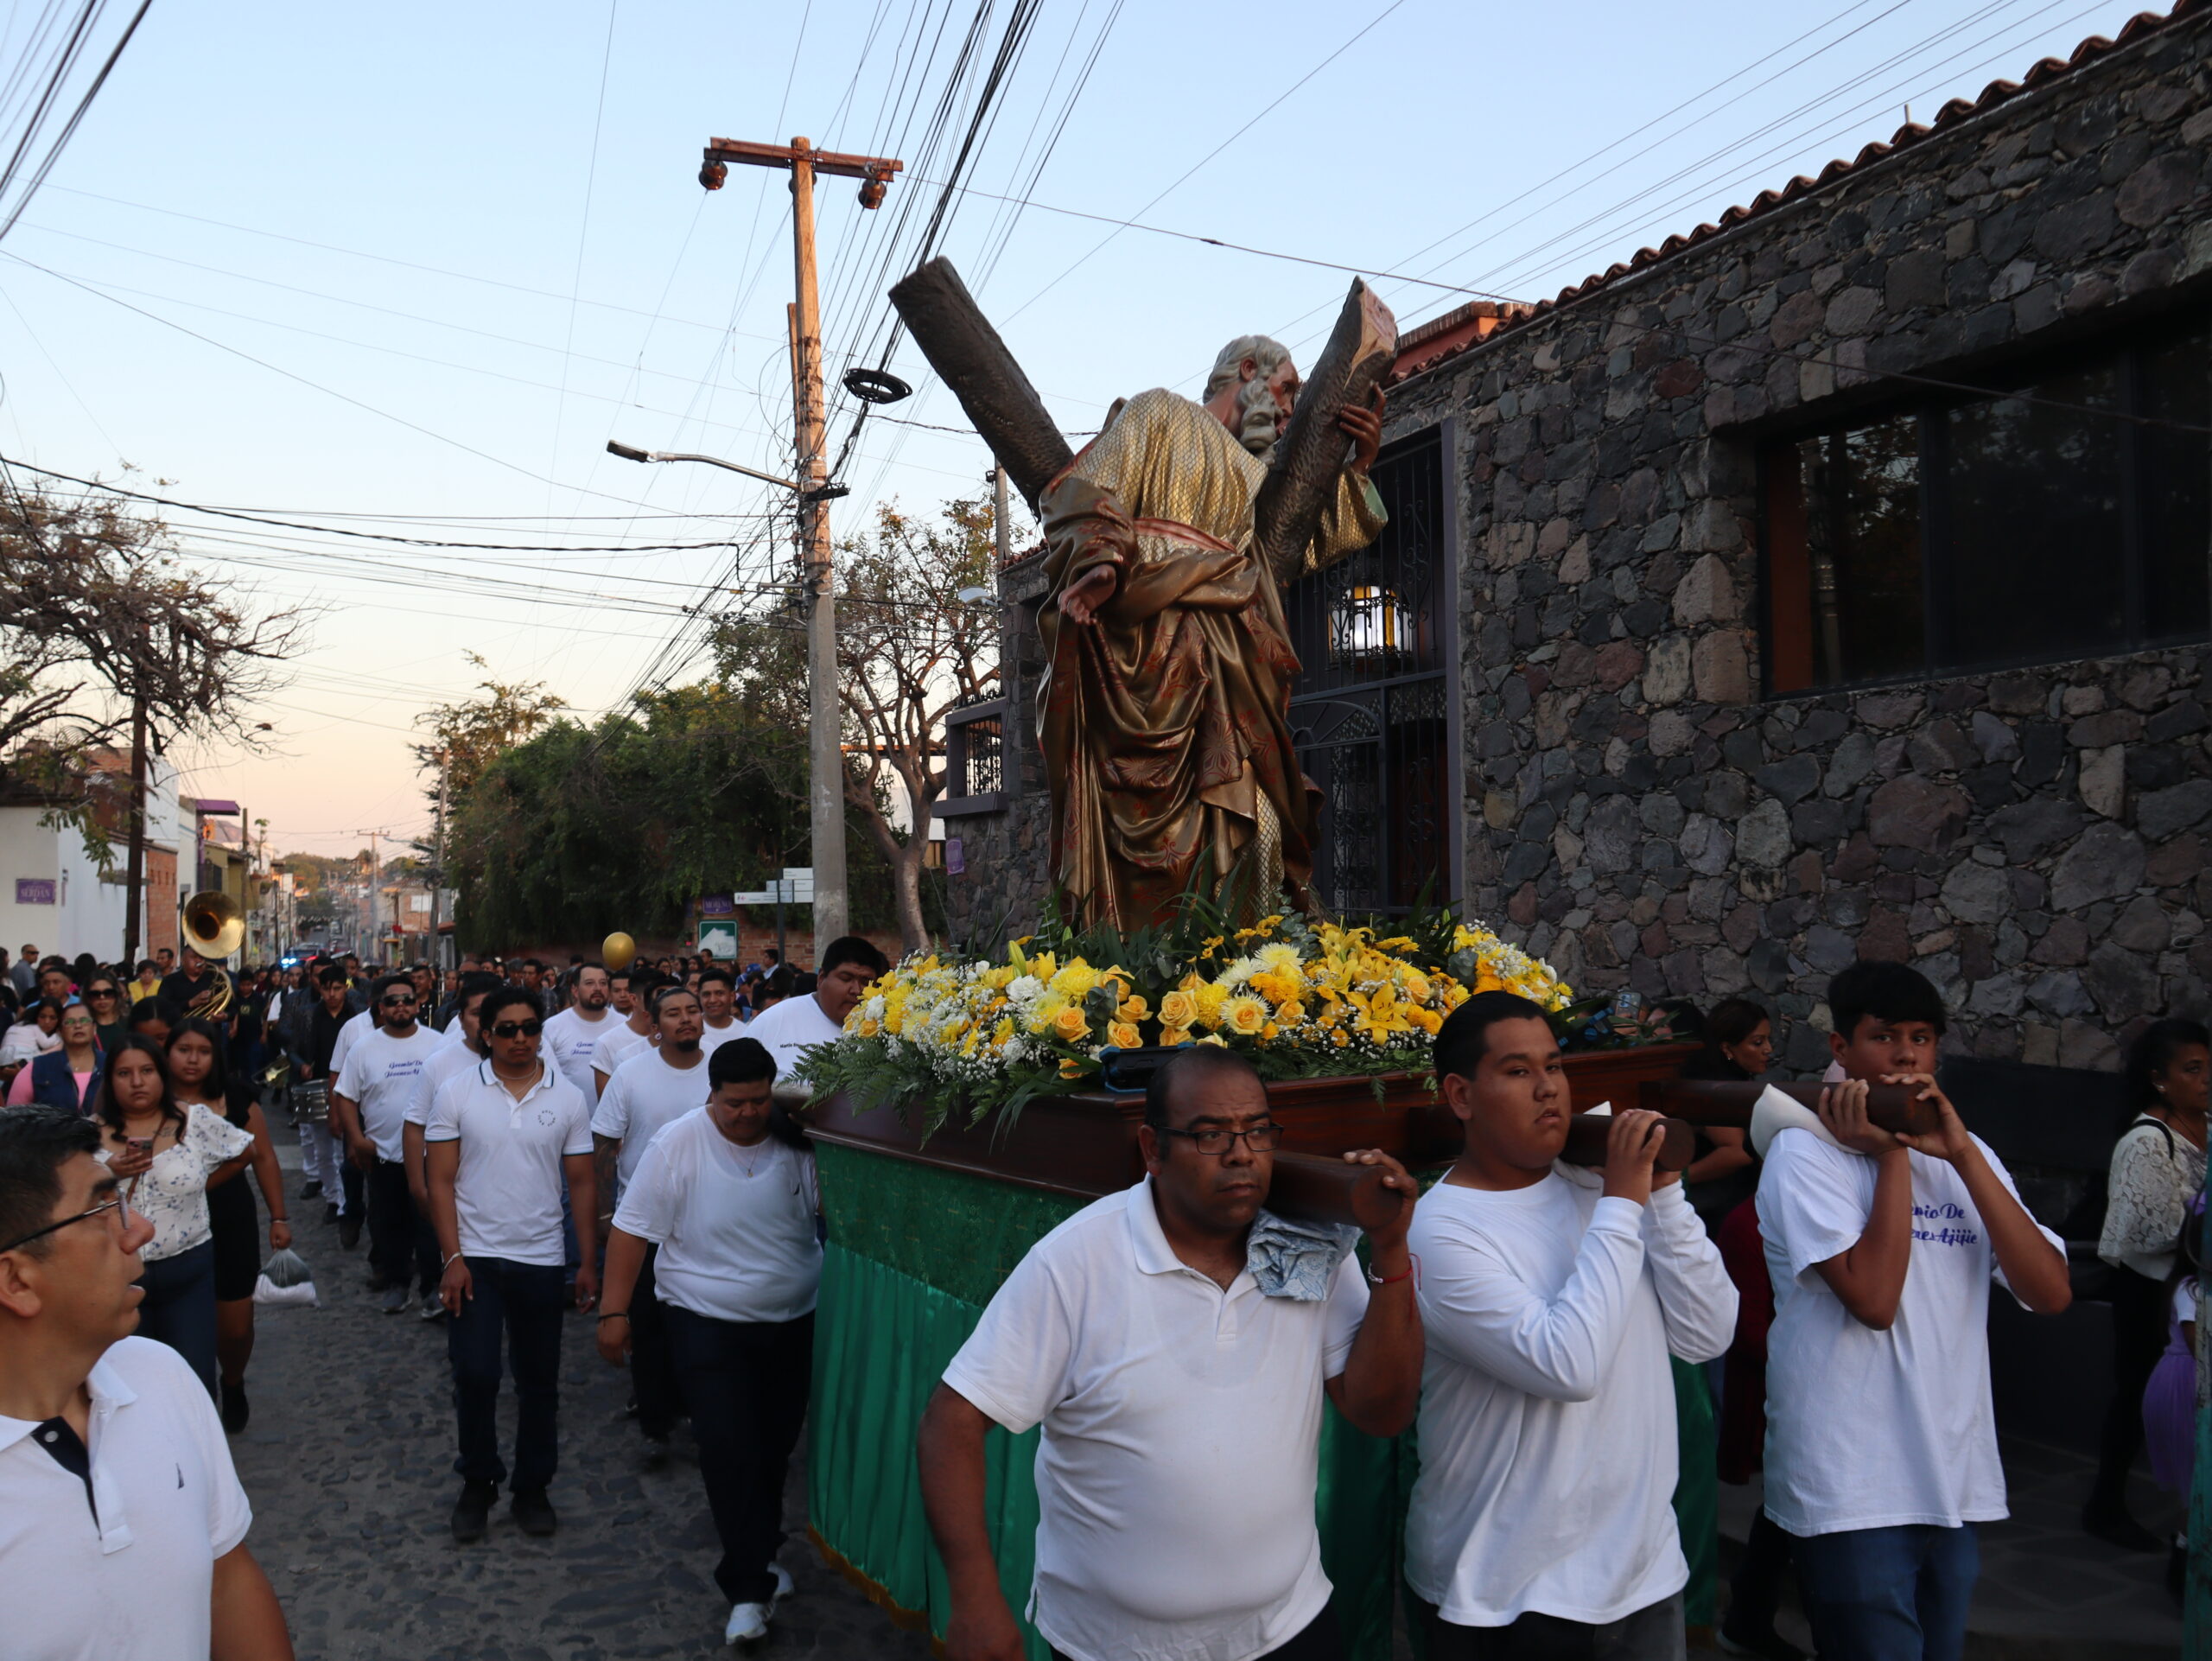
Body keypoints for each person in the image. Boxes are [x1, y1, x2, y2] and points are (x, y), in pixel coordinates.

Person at [918, 1046, 1422, 1661]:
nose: (1241, 1154)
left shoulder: (1309, 1245)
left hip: (1287, 1628)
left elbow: (1381, 1413)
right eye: (1210, 1135)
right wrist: (974, 1600)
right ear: (1153, 1150)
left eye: (1257, 1130)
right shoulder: (1077, 1260)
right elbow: (952, 1423)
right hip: (1115, 1647)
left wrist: (1391, 1252)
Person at [1403, 991, 1736, 1658]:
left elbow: (1707, 1334)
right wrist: (1623, 1199)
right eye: (1519, 1071)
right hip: (1501, 1591)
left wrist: (1664, 1192)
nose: (1548, 1089)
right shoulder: (1439, 1231)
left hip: (1642, 1573)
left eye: (1554, 1067)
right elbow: (1569, 1365)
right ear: (1461, 1096)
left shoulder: (1600, 1187)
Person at [1757, 960, 2069, 1661]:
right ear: (1841, 1051)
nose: (1906, 1054)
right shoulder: (1804, 1154)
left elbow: (2050, 1293)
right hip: (1851, 1484)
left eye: (1922, 1037)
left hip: (1952, 1479)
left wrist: (1959, 1152)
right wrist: (1892, 1160)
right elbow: (1872, 1300)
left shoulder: (1967, 1155)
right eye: (1884, 1036)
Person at [0, 1106, 293, 1659]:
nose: (139, 1229)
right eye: (103, 1209)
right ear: (17, 1279)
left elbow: (226, 1583)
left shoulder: (157, 1373)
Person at [597, 1037, 819, 1642]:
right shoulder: (678, 1144)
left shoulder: (800, 1141)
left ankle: (763, 1552)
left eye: (757, 1102)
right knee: (725, 1446)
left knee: (774, 1447)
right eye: (734, 1104)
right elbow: (630, 1231)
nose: (748, 1114)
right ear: (712, 1096)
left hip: (793, 1320)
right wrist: (613, 1313)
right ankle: (746, 1589)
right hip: (704, 1321)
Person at [424, 985, 598, 1542]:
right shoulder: (455, 1092)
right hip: (475, 1259)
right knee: (474, 1373)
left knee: (539, 1380)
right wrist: (451, 1257)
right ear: (484, 1033)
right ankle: (478, 1479)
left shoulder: (567, 1098)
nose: (520, 1039)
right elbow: (440, 1181)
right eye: (507, 1029)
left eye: (529, 1028)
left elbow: (582, 1183)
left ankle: (532, 1486)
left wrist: (588, 1261)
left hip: (542, 1258)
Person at [2088, 1017, 2209, 1550]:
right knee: (2135, 1394)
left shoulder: (2207, 1125)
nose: (2206, 1079)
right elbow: (2151, 1227)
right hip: (2148, 1292)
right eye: (2193, 1069)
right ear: (2160, 1079)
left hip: (2192, 1293)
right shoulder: (2146, 1141)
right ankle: (2105, 1504)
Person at [91, 1038, 254, 1398]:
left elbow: (244, 1151)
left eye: (146, 1071)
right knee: (133, 1387)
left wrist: (198, 1188)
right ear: (110, 1081)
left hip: (188, 1271)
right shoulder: (88, 1135)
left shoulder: (193, 1120)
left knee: (193, 1383)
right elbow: (72, 1201)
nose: (137, 1082)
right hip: (119, 1279)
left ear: (161, 1076)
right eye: (124, 1073)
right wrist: (107, 1171)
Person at [590, 983, 712, 1461]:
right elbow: (604, 1144)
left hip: (707, 1221)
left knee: (699, 1323)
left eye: (692, 1011)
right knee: (647, 1322)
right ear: (655, 1027)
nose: (685, 1020)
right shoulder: (631, 1074)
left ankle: (699, 1410)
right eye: (673, 1014)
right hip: (644, 1226)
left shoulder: (720, 1067)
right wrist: (605, 1213)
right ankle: (654, 1422)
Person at [167, 1019, 290, 1434]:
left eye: (202, 1050)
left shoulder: (235, 1098)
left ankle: (233, 1380)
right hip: (171, 1222)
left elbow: (264, 1157)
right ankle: (189, 1406)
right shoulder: (154, 1099)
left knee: (236, 1327)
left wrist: (278, 1216)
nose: (192, 1058)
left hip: (229, 1216)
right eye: (183, 1049)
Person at [333, 975, 445, 1315]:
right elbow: (346, 1097)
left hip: (431, 1156)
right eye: (393, 1001)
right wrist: (356, 1138)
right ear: (381, 1008)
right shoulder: (364, 1048)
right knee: (387, 1223)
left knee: (430, 1225)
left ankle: (432, 1288)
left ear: (418, 1005)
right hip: (382, 1154)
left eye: (407, 1000)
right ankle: (398, 1284)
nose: (400, 1007)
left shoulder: (439, 1044)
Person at [402, 973, 499, 1324]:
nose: (486, 1023)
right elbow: (415, 1127)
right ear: (461, 1019)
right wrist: (418, 1185)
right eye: (477, 1013)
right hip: (450, 1183)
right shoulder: (440, 1062)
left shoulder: (532, 1057)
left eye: (493, 1012)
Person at [1681, 999, 1773, 1235]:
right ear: (1727, 1048)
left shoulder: (1734, 1082)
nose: (1768, 1049)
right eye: (1757, 1042)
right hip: (1719, 1209)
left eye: (1767, 1040)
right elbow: (1735, 1154)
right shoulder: (1715, 1088)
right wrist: (1677, 1180)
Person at [741, 937, 887, 1085]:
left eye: (866, 982)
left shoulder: (889, 1030)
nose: (856, 990)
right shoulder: (773, 1021)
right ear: (821, 978)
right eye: (845, 978)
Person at [10, 1002, 104, 1111]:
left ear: (94, 1028)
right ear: (59, 1032)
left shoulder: (111, 1064)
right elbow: (14, 1119)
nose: (78, 1026)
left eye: (84, 1020)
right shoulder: (37, 1067)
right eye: (69, 1022)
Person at [543, 963, 616, 1104]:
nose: (598, 989)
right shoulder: (553, 1027)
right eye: (589, 983)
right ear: (575, 991)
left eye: (603, 983)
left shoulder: (623, 1025)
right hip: (567, 1117)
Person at [591, 972, 663, 1098]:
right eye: (656, 996)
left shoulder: (683, 1038)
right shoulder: (607, 1043)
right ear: (634, 999)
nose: (665, 1002)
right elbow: (608, 1107)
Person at [157, 948, 231, 1021]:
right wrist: (191, 1003)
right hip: (180, 1029)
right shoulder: (169, 981)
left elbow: (233, 1008)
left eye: (201, 957)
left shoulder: (216, 978)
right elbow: (162, 1010)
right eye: (194, 957)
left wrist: (225, 1016)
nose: (199, 961)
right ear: (182, 960)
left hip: (211, 1030)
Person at [0, 998, 63, 1079]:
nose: (47, 1021)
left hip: (4, 1058)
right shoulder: (34, 1027)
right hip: (22, 1056)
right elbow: (46, 1043)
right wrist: (58, 1036)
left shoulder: (14, 1027)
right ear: (36, 1016)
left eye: (52, 1018)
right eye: (42, 1017)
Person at [697, 964, 743, 1049]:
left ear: (732, 996)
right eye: (706, 994)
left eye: (719, 993)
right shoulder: (690, 1030)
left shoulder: (745, 1032)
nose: (713, 1000)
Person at [81, 975, 130, 1056]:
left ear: (116, 994)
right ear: (87, 998)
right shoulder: (82, 1027)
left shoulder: (131, 1024)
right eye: (95, 994)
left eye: (108, 993)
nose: (102, 998)